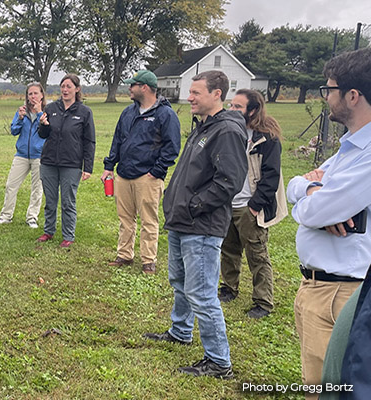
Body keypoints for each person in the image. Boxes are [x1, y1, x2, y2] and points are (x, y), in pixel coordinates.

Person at [143, 70, 248, 379]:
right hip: (181, 221)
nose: (189, 97)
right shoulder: (204, 126)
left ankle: (219, 361)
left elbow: (229, 181)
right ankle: (181, 330)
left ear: (217, 94)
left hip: (201, 225)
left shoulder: (226, 130)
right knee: (180, 282)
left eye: (196, 92)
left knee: (202, 293)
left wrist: (194, 206)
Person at [285, 47, 371, 400]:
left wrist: (313, 200)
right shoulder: (349, 148)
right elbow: (293, 187)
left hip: (343, 292)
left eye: (329, 90)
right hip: (318, 287)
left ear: (352, 95)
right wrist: (310, 187)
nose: (326, 98)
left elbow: (319, 211)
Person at [217, 88, 288, 319]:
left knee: (257, 255)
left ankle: (263, 302)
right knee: (228, 250)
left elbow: (271, 177)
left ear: (253, 110)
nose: (232, 110)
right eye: (231, 105)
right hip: (229, 203)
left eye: (238, 107)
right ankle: (229, 288)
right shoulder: (230, 132)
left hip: (250, 206)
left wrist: (255, 205)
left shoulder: (267, 138)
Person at [102, 70, 180, 274]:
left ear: (144, 87)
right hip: (124, 174)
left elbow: (172, 147)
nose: (129, 88)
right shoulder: (128, 112)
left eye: (132, 85)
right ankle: (125, 255)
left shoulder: (165, 114)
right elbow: (117, 140)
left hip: (148, 177)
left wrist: (157, 171)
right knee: (125, 219)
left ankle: (148, 261)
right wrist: (110, 166)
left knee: (149, 220)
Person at [36, 74, 96, 248]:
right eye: (63, 86)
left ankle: (68, 235)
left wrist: (88, 167)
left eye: (69, 86)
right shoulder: (52, 108)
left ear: (77, 89)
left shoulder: (84, 112)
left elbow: (89, 141)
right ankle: (49, 231)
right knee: (51, 200)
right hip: (49, 162)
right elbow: (43, 135)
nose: (65, 90)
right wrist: (43, 125)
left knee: (68, 201)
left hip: (71, 164)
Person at [0, 82, 47, 228]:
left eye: (36, 93)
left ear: (42, 95)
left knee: (37, 188)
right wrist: (20, 118)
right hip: (22, 154)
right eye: (30, 94)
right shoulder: (22, 111)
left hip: (39, 155)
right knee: (11, 185)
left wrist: (39, 113)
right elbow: (14, 131)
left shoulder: (47, 111)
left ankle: (32, 218)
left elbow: (48, 130)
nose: (33, 96)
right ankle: (6, 216)